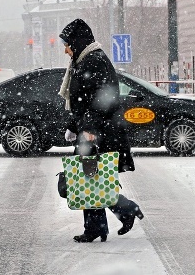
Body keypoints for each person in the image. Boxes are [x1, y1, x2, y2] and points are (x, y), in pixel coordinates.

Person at [59, 19, 144, 243]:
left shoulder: (93, 61)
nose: (66, 49)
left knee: (92, 180)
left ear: (77, 42)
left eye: (67, 44)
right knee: (91, 180)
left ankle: (113, 217)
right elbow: (80, 101)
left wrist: (88, 130)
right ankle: (107, 221)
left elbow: (101, 100)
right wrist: (73, 125)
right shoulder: (83, 61)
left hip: (99, 132)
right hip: (93, 130)